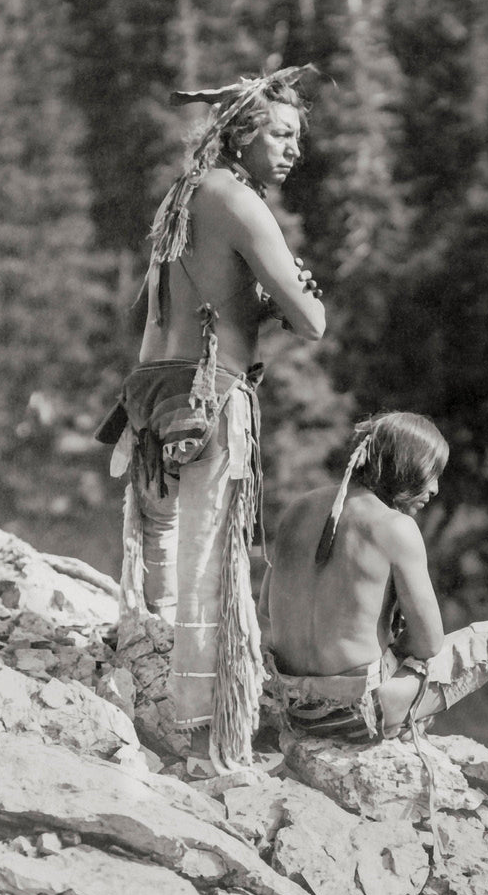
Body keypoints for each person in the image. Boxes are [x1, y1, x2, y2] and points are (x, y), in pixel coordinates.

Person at [96, 66, 326, 773]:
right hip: (212, 395)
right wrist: (291, 295)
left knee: (161, 551)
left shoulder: (184, 194)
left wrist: (251, 302)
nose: (294, 149)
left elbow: (158, 309)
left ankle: (148, 688)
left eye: (297, 137)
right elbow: (312, 321)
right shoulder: (242, 203)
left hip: (153, 392)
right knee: (211, 564)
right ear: (244, 133)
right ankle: (206, 735)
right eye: (281, 134)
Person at [259, 412, 488, 825]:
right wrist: (392, 649)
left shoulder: (297, 509)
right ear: (403, 469)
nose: (434, 488)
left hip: (294, 710)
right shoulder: (395, 527)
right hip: (356, 716)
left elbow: (266, 612)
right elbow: (430, 644)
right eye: (429, 474)